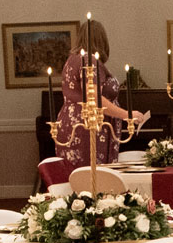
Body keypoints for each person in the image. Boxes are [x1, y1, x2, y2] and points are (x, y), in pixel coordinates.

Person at [56, 18, 136, 167]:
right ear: (102, 41)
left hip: (71, 122)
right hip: (88, 126)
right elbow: (93, 98)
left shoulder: (72, 59)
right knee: (92, 176)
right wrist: (127, 115)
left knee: (77, 177)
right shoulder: (90, 61)